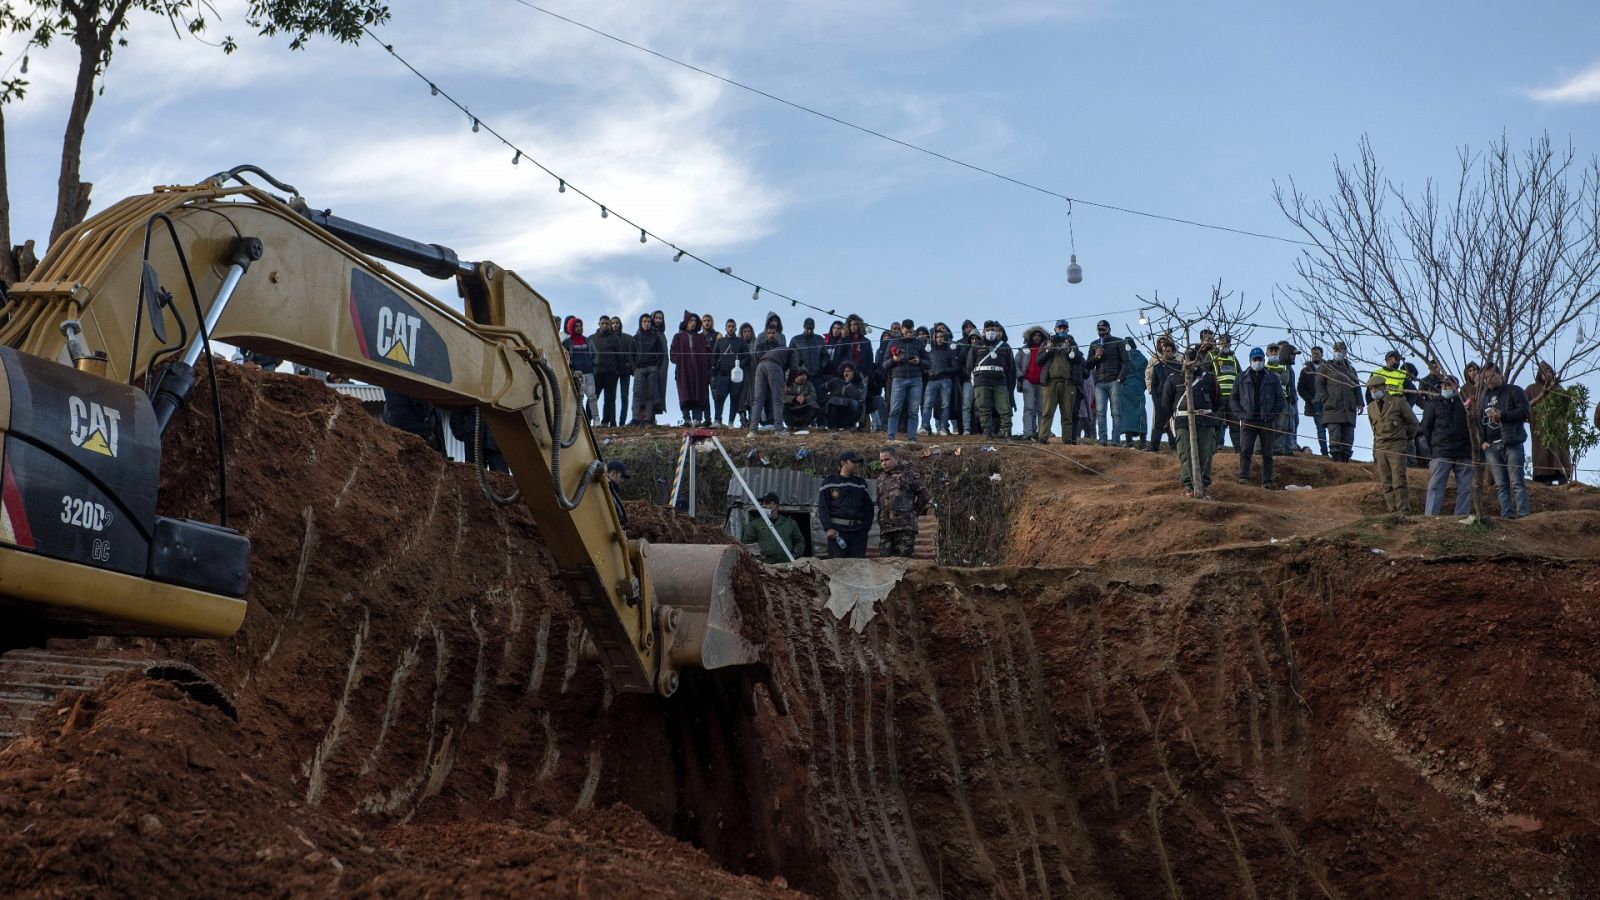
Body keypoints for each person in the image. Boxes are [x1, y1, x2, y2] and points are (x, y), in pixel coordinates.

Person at [1163, 348, 1222, 497]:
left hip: (1206, 420)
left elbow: (1218, 401)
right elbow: (1166, 402)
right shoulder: (1174, 378)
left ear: (1200, 361)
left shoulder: (1209, 378)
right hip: (1182, 420)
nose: (1191, 362)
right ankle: (1189, 487)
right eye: (1188, 358)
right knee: (1185, 453)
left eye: (1195, 359)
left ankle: (1203, 487)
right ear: (1183, 360)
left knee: (1206, 453)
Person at [1479, 362, 1531, 519]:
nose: (1489, 379)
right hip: (1491, 446)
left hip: (1512, 442)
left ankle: (1523, 514)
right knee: (1501, 485)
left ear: (1500, 375)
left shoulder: (1514, 391)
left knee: (1516, 482)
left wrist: (1503, 415)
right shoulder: (1484, 398)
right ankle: (1506, 515)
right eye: (1485, 377)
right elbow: (1477, 421)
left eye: (1491, 375)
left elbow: (1524, 412)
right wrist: (1482, 440)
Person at [1420, 375, 1475, 516]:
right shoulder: (1433, 404)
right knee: (1435, 486)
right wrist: (1435, 446)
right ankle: (1430, 517)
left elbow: (1473, 426)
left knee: (1465, 487)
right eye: (1443, 385)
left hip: (1463, 451)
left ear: (1456, 387)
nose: (1444, 388)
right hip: (1441, 451)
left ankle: (1461, 517)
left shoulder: (1466, 405)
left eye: (1448, 385)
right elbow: (1426, 428)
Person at [1231, 347, 1283, 487]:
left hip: (1266, 421)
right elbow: (1234, 399)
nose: (1258, 362)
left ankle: (1267, 481)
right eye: (1255, 359)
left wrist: (1273, 415)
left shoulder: (1272, 377)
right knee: (1246, 451)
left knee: (1267, 453)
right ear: (1250, 360)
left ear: (1263, 360)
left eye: (1260, 359)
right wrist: (1240, 415)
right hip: (1248, 420)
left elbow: (1280, 399)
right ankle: (1243, 478)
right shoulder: (1241, 377)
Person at [1367, 373, 1418, 513]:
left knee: (1399, 480)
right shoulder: (1371, 407)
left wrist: (1405, 439)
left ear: (1384, 387)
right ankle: (1393, 512)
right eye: (1371, 389)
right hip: (1381, 446)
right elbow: (1374, 428)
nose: (1373, 391)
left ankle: (1403, 511)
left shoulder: (1398, 402)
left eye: (1376, 388)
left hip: (1396, 445)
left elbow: (1413, 422)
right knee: (1386, 482)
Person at [876, 446, 931, 558]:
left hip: (904, 527)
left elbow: (924, 495)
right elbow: (879, 501)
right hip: (886, 529)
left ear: (895, 458)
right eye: (881, 461)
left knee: (903, 563)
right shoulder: (881, 478)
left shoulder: (908, 473)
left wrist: (913, 512)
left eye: (887, 459)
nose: (884, 463)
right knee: (884, 565)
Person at [818, 450, 873, 558]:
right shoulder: (829, 482)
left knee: (857, 568)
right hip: (838, 534)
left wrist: (865, 530)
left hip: (858, 534)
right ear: (843, 463)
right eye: (853, 462)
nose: (857, 465)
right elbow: (823, 507)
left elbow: (869, 508)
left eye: (858, 462)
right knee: (837, 568)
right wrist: (828, 528)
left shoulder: (860, 483)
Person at [1527, 361, 1575, 484]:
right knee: (1542, 452)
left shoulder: (1558, 389)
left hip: (1558, 428)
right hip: (1540, 428)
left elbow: (1568, 408)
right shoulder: (1532, 389)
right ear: (1539, 374)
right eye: (1545, 372)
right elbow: (1523, 406)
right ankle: (1544, 478)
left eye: (1549, 372)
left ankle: (1562, 475)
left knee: (1560, 451)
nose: (1547, 374)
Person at [1038, 320, 1084, 445]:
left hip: (1068, 383)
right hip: (1050, 382)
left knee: (1067, 413)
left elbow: (1079, 360)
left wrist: (1069, 350)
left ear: (1068, 330)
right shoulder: (1048, 342)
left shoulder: (1072, 343)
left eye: (1064, 328)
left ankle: (1067, 440)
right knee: (1047, 412)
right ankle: (1043, 438)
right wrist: (1048, 350)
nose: (1062, 330)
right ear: (1055, 329)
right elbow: (1039, 361)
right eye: (1060, 328)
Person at [1315, 341, 1361, 462]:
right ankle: (1336, 460)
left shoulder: (1351, 369)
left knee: (1348, 437)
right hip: (1332, 408)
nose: (1338, 352)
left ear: (1345, 352)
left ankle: (1345, 460)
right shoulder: (1326, 366)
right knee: (1335, 436)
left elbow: (1357, 386)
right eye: (1336, 350)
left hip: (1349, 409)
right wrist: (1326, 399)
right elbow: (1319, 384)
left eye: (1341, 350)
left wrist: (1360, 402)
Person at [969, 320, 1014, 438]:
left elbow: (1009, 365)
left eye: (992, 330)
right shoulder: (976, 345)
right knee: (984, 408)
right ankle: (987, 432)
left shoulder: (1004, 346)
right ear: (983, 331)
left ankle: (1006, 431)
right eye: (987, 330)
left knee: (1004, 407)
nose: (990, 332)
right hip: (982, 381)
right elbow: (970, 365)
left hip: (999, 380)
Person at [1085, 319, 1128, 444]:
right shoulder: (1094, 344)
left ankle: (1115, 440)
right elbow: (1087, 365)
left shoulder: (1118, 342)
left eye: (1103, 329)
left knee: (1116, 412)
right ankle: (1102, 439)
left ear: (1109, 329)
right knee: (1100, 413)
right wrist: (1096, 356)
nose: (1101, 332)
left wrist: (1120, 378)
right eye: (1099, 329)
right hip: (1100, 384)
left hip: (1115, 381)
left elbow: (1126, 361)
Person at [886, 319, 925, 441]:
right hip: (898, 379)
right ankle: (891, 438)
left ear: (913, 329)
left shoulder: (919, 344)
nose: (908, 334)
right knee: (894, 410)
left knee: (913, 411)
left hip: (916, 380)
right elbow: (884, 364)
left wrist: (920, 362)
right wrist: (894, 360)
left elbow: (929, 363)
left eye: (910, 331)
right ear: (902, 329)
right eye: (906, 331)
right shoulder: (893, 342)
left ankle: (912, 439)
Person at [670, 311, 711, 426]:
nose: (693, 323)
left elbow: (708, 354)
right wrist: (682, 362)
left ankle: (697, 419)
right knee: (685, 394)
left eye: (695, 321)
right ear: (686, 322)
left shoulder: (701, 338)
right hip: (683, 372)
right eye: (690, 320)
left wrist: (705, 366)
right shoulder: (677, 337)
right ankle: (686, 419)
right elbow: (672, 354)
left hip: (699, 372)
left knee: (698, 394)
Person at [743, 491, 803, 564]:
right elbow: (746, 544)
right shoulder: (755, 524)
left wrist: (794, 554)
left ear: (776, 505)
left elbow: (800, 541)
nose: (764, 506)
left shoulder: (789, 523)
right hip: (765, 565)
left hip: (786, 564)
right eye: (762, 503)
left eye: (768, 503)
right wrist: (756, 557)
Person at [629, 313, 667, 426]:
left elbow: (661, 354)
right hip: (639, 369)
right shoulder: (635, 337)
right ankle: (635, 418)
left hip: (652, 368)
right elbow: (631, 354)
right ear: (641, 323)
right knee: (637, 394)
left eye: (649, 322)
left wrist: (656, 367)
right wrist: (635, 368)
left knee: (650, 394)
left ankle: (647, 419)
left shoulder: (656, 337)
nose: (647, 324)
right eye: (644, 321)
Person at [920, 324, 959, 436]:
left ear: (945, 337)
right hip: (931, 381)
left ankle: (943, 428)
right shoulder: (929, 351)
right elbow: (924, 365)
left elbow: (955, 368)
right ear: (934, 338)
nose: (939, 339)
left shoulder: (950, 351)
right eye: (937, 337)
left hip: (945, 381)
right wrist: (928, 372)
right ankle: (924, 426)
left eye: (941, 336)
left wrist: (943, 370)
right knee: (927, 404)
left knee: (945, 405)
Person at [750, 345, 797, 434]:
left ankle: (752, 431)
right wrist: (788, 384)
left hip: (760, 366)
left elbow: (782, 370)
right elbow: (794, 369)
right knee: (778, 400)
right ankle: (779, 429)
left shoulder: (780, 350)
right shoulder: (794, 352)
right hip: (774, 366)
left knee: (758, 400)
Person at [1145, 335, 1182, 451]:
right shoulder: (1157, 367)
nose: (1166, 353)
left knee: (1174, 424)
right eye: (1164, 351)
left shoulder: (1178, 367)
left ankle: (1175, 446)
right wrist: (1155, 400)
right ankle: (1154, 447)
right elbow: (1154, 384)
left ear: (1173, 352)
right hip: (1160, 399)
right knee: (1158, 424)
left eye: (1168, 351)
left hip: (1174, 400)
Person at [710, 319, 747, 428]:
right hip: (723, 374)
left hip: (736, 376)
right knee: (719, 398)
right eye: (729, 326)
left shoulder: (741, 341)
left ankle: (731, 422)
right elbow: (714, 356)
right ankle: (717, 420)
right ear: (726, 328)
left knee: (735, 399)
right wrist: (716, 365)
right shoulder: (720, 341)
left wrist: (739, 365)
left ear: (736, 328)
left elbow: (747, 357)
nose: (731, 328)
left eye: (733, 326)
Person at [561, 316, 597, 422]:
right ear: (572, 328)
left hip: (588, 373)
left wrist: (592, 365)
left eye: (580, 326)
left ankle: (596, 419)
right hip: (576, 375)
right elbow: (564, 357)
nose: (579, 328)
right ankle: (578, 422)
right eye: (576, 326)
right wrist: (571, 368)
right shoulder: (567, 342)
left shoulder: (587, 340)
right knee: (575, 399)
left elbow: (595, 354)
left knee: (592, 397)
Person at [1014, 327, 1048, 441]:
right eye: (1035, 335)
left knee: (1041, 409)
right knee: (1029, 408)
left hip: (1042, 382)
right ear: (1031, 337)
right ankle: (1027, 434)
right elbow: (1016, 364)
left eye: (1039, 335)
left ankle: (1040, 434)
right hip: (1028, 381)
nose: (1037, 337)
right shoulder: (1024, 350)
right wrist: (1021, 376)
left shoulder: (1046, 350)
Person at [592, 316, 625, 427]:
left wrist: (618, 371)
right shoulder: (592, 338)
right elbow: (588, 356)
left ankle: (605, 422)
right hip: (596, 373)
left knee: (609, 399)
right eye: (603, 323)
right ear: (599, 324)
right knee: (593, 397)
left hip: (611, 373)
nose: (605, 326)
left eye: (607, 323)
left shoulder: (615, 338)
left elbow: (619, 356)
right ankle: (587, 420)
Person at [1211, 333, 1241, 448]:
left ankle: (1238, 449)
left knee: (1234, 424)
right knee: (1217, 422)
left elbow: (1240, 374)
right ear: (1218, 342)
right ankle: (1216, 446)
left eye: (1227, 342)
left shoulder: (1233, 358)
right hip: (1218, 395)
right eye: (1222, 341)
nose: (1225, 344)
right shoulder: (1212, 356)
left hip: (1232, 397)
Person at [1267, 341, 1298, 455]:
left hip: (1288, 401)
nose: (1293, 357)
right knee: (1279, 426)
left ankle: (1286, 449)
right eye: (1291, 354)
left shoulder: (1288, 368)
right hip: (1277, 400)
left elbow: (1289, 384)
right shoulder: (1281, 366)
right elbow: (1283, 381)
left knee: (1288, 426)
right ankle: (1279, 450)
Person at [1118, 336, 1148, 449]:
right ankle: (1143, 442)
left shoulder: (1124, 359)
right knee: (1141, 413)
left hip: (1126, 388)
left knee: (1127, 414)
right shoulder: (1143, 359)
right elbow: (1147, 374)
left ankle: (1129, 442)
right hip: (1139, 389)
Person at [1298, 346, 1327, 456]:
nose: (1315, 355)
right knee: (1321, 428)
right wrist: (1310, 399)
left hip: (1328, 402)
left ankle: (1335, 451)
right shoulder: (1306, 370)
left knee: (1333, 428)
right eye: (1313, 353)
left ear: (1322, 354)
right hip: (1315, 403)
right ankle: (1325, 453)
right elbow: (1300, 388)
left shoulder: (1328, 368)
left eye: (1317, 353)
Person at [824, 362, 866, 429]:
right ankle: (833, 426)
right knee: (831, 403)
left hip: (848, 413)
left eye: (849, 371)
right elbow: (822, 389)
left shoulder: (858, 383)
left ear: (853, 372)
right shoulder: (835, 381)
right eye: (845, 371)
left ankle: (849, 426)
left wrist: (848, 383)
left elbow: (858, 396)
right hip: (837, 412)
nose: (846, 373)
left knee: (855, 404)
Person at [733, 322, 757, 428]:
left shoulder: (756, 345)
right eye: (744, 332)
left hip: (754, 375)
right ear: (741, 333)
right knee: (741, 399)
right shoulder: (738, 345)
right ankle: (743, 421)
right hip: (740, 376)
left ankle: (753, 421)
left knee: (753, 398)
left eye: (748, 331)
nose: (747, 334)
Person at [613, 313, 635, 427]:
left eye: (617, 323)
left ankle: (622, 422)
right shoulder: (609, 339)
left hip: (625, 370)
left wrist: (630, 365)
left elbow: (632, 354)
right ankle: (612, 421)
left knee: (624, 396)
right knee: (611, 397)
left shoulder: (628, 338)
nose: (615, 325)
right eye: (613, 323)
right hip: (612, 371)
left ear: (620, 324)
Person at [650, 310, 669, 417]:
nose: (658, 320)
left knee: (659, 389)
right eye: (656, 318)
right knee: (650, 389)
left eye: (660, 318)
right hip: (650, 364)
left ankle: (653, 417)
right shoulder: (647, 332)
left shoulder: (662, 335)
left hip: (662, 366)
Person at [605, 460, 630, 528]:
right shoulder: (604, 491)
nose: (622, 480)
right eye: (621, 476)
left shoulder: (609, 490)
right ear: (613, 473)